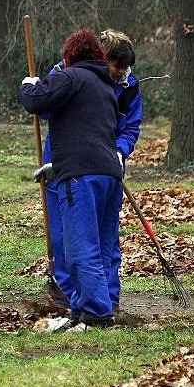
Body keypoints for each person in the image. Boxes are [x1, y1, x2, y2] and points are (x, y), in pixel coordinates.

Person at [19, 29, 125, 330]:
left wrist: (28, 86)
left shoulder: (72, 77)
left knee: (80, 246)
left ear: (71, 56)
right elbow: (83, 126)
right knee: (102, 246)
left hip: (81, 178)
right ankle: (81, 309)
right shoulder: (104, 86)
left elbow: (37, 101)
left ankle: (96, 314)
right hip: (109, 177)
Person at [37, 30, 142, 321]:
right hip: (66, 163)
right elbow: (44, 109)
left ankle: (108, 299)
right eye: (115, 66)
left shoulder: (129, 87)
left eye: (124, 69)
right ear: (100, 56)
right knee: (65, 234)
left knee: (105, 236)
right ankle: (71, 297)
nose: (119, 73)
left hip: (107, 167)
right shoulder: (67, 72)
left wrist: (120, 151)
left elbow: (130, 128)